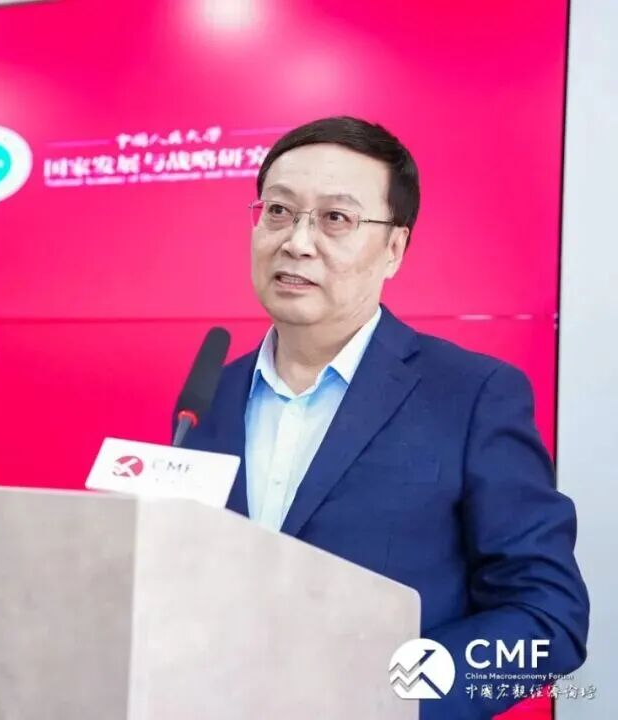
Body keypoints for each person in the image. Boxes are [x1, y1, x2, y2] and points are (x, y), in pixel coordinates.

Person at [182, 116, 589, 719]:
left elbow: (548, 619)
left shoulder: (472, 395)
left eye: (335, 219)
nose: (297, 242)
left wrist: (395, 697)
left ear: (394, 248)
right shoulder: (209, 395)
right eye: (278, 211)